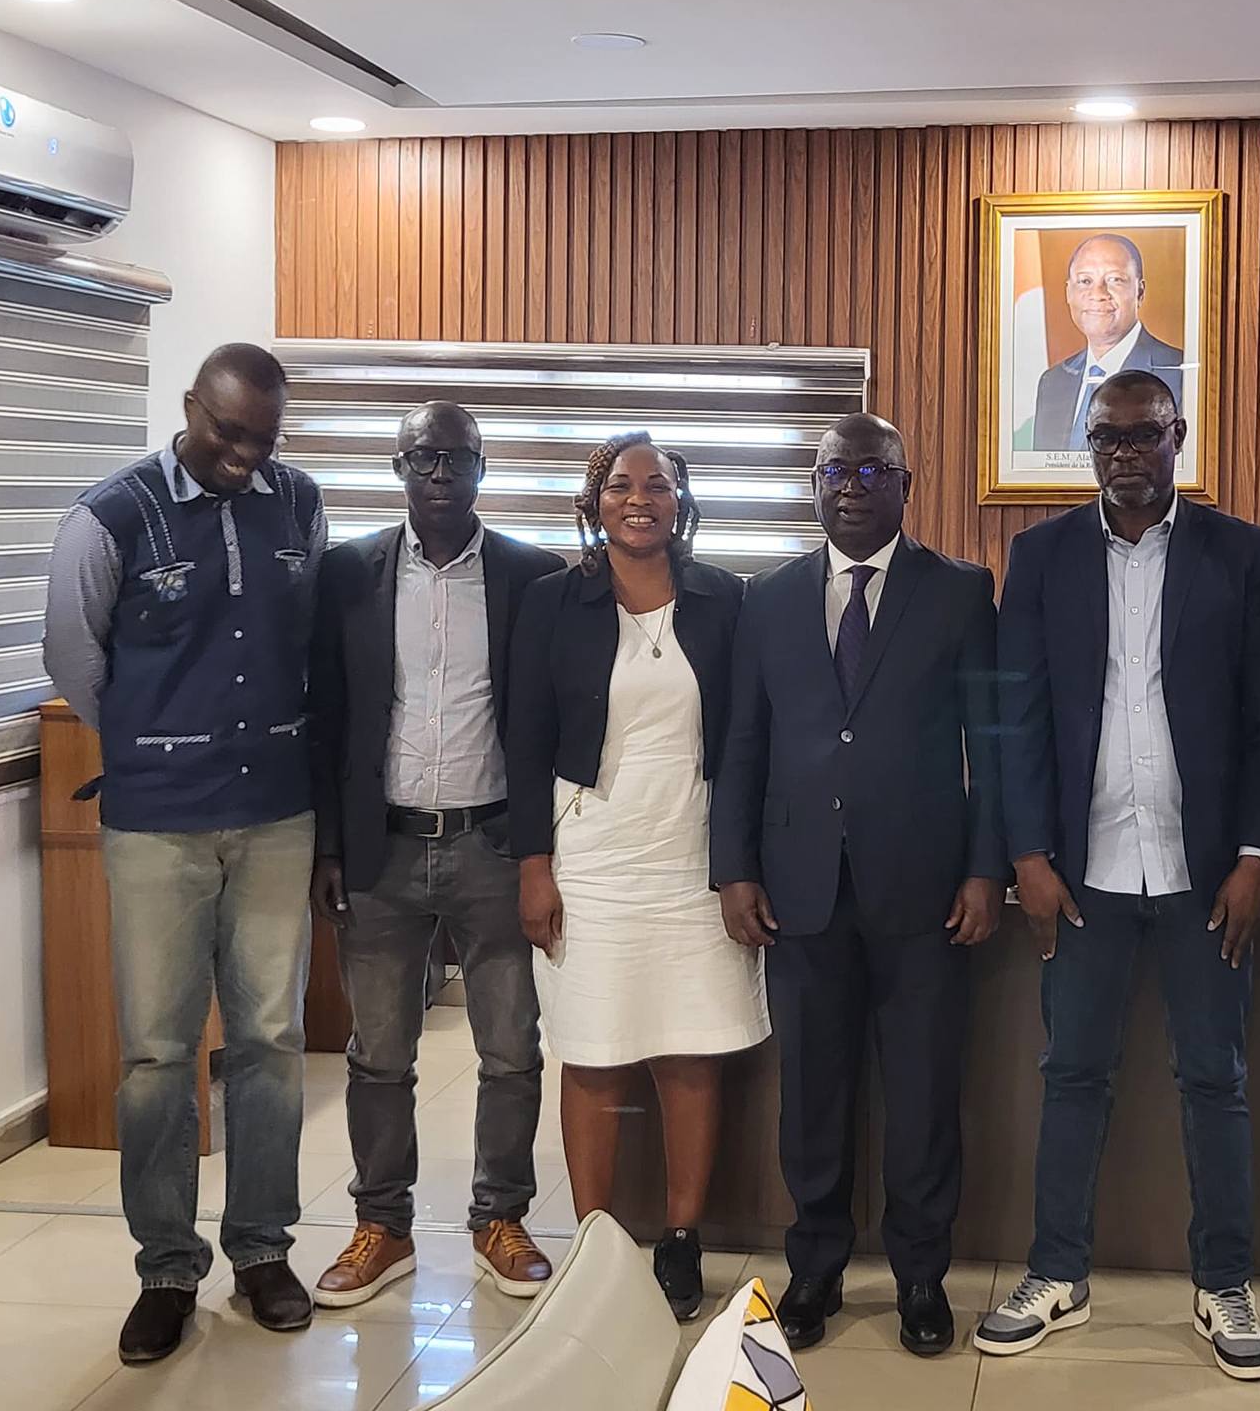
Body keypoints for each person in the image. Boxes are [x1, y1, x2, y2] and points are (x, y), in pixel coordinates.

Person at [978, 368, 1260, 1381]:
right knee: (1071, 1073)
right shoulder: (1040, 557)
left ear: (1177, 437)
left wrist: (1256, 855)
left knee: (1216, 1079)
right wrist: (1027, 854)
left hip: (1206, 873)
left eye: (1143, 434)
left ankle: (1223, 1284)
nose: (1124, 452)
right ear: (1088, 444)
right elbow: (1014, 717)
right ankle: (1055, 1273)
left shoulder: (1240, 553)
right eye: (1106, 436)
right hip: (1084, 872)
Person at [42, 343, 326, 1364]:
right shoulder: (109, 517)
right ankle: (166, 1268)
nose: (245, 457)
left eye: (264, 440)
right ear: (190, 407)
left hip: (277, 815)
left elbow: (308, 640)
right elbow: (74, 657)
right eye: (228, 434)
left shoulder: (299, 504)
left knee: (270, 1040)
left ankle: (261, 1250)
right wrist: (156, 743)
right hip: (158, 827)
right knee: (158, 1053)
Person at [710, 412, 1004, 1357]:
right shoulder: (767, 598)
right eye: (836, 471)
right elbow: (743, 743)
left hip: (925, 889)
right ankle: (816, 1267)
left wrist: (985, 868)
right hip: (799, 888)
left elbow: (992, 746)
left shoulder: (960, 591)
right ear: (814, 486)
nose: (852, 487)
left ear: (906, 485)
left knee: (922, 1094)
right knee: (812, 1092)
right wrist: (734, 869)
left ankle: (921, 1275)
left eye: (874, 471)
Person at [304, 402, 563, 1310]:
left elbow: (545, 723)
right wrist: (329, 845)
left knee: (511, 1049)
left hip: (493, 844)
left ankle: (501, 1218)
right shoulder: (347, 574)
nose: (441, 473)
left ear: (483, 469)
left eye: (458, 458)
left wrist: (541, 853)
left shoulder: (532, 575)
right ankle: (383, 1225)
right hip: (380, 847)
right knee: (378, 1054)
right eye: (424, 458)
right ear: (399, 467)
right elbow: (328, 717)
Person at [507, 432, 764, 1322]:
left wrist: (740, 865)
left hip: (693, 854)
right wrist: (533, 867)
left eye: (658, 484)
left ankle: (681, 1238)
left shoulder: (725, 599)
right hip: (592, 856)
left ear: (681, 502)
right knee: (594, 1052)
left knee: (689, 1050)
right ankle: (596, 1248)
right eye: (621, 484)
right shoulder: (552, 602)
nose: (640, 498)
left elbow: (745, 738)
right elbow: (525, 741)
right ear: (595, 501)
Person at [1028, 234, 1186, 451]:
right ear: (1068, 293)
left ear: (1140, 292)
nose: (1098, 294)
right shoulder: (1053, 382)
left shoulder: (1180, 376)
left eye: (1115, 280)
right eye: (1085, 281)